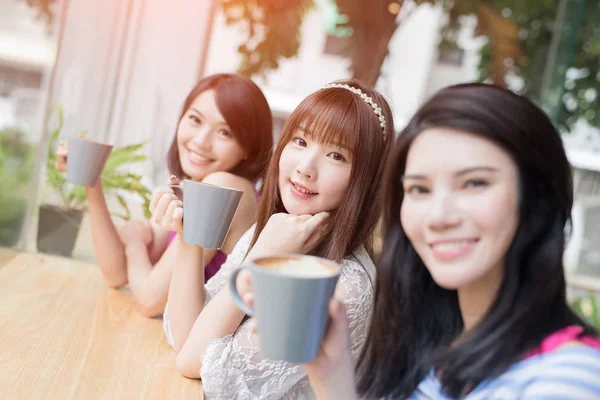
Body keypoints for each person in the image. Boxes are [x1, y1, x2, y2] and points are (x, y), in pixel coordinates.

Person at [284, 83, 600, 399]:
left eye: (474, 183)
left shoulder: (566, 379)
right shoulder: (426, 348)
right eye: (420, 189)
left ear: (537, 197)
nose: (439, 216)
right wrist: (332, 378)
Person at [158, 79, 394, 399]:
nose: (306, 167)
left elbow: (193, 363)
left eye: (336, 155)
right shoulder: (276, 232)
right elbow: (189, 334)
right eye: (300, 141)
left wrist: (259, 260)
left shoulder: (342, 287)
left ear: (364, 180)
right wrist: (187, 239)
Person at [55, 73, 273, 317]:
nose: (201, 141)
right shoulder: (194, 187)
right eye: (195, 119)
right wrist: (92, 183)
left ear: (248, 149)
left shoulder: (223, 187)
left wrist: (135, 244)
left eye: (224, 133)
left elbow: (150, 299)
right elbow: (116, 273)